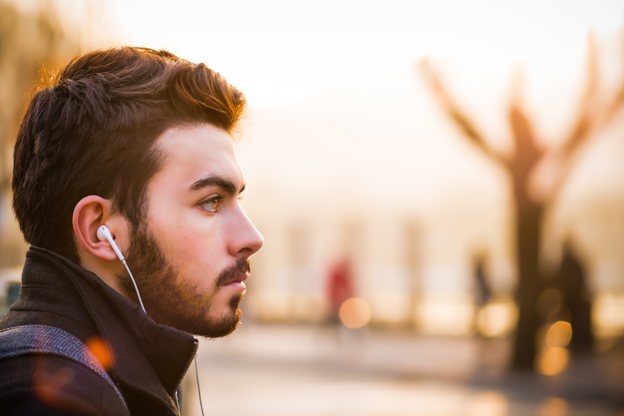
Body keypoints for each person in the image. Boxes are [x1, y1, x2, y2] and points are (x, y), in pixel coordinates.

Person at [0, 46, 264, 415]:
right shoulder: (52, 397)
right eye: (211, 201)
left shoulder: (94, 379)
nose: (252, 237)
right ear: (99, 230)